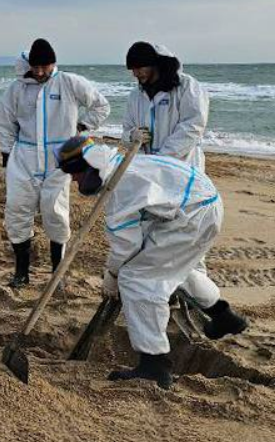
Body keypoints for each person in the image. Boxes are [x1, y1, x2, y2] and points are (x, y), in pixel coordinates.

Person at [56, 135, 248, 389]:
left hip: (190, 218)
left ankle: (154, 365)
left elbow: (127, 247)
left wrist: (112, 278)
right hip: (203, 204)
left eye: (76, 174)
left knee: (138, 279)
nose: (75, 180)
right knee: (173, 268)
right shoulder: (127, 163)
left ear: (90, 168)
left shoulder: (120, 189)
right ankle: (224, 317)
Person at [0, 38, 110, 288]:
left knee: (55, 212)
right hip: (24, 158)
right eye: (35, 67)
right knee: (17, 211)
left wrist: (83, 126)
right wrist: (6, 153)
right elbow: (6, 121)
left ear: (54, 64)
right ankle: (21, 272)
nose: (39, 73)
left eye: (44, 67)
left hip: (60, 159)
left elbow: (102, 106)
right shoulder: (16, 89)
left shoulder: (69, 83)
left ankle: (57, 273)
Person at [121, 41, 209, 172]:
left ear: (155, 65)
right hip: (148, 168)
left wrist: (162, 158)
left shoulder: (187, 87)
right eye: (132, 69)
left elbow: (193, 127)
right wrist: (132, 136)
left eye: (139, 68)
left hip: (181, 167)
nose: (135, 73)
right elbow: (126, 130)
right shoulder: (135, 96)